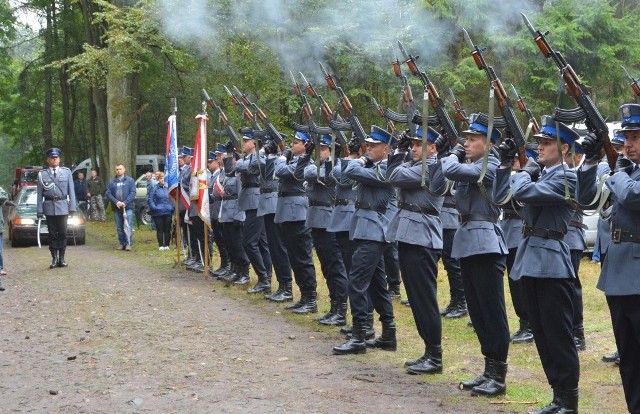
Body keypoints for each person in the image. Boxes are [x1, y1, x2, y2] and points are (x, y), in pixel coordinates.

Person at [495, 116, 581, 412]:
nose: (539, 148)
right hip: (530, 259)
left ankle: (569, 400)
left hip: (551, 261)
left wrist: (526, 170)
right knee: (542, 335)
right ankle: (557, 395)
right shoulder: (543, 175)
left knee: (557, 334)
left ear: (565, 148)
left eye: (546, 143)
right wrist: (506, 166)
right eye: (539, 142)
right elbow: (501, 197)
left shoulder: (565, 177)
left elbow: (522, 192)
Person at [430, 113, 509, 396]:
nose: (466, 143)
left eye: (473, 139)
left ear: (489, 144)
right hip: (467, 241)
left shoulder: (491, 166)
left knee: (492, 311)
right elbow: (439, 182)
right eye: (465, 139)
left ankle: (498, 375)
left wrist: (449, 152)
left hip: (486, 243)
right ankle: (488, 369)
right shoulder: (470, 165)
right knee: (477, 312)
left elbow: (451, 170)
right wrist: (446, 154)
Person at [577, 103, 640, 414]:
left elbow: (632, 197)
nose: (628, 144)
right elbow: (585, 198)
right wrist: (590, 161)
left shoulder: (624, 172)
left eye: (635, 137)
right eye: (626, 137)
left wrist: (617, 171)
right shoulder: (626, 169)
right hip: (618, 273)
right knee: (628, 358)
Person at [333, 126, 397, 355]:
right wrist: (361, 160)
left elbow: (351, 171)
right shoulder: (371, 166)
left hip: (375, 231)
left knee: (356, 282)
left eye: (373, 145)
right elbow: (339, 177)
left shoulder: (388, 169)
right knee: (378, 284)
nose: (367, 148)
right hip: (365, 229)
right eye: (367, 145)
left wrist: (358, 160)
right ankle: (389, 333)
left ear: (386, 148)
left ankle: (360, 334)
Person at [387, 126, 445, 374]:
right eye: (411, 145)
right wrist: (399, 152)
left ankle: (435, 355)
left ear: (433, 148)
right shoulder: (414, 166)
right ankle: (429, 351)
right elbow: (394, 174)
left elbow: (393, 177)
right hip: (410, 235)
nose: (414, 148)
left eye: (419, 145)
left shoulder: (431, 167)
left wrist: (398, 156)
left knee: (424, 300)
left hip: (422, 238)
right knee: (417, 298)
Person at [298, 134, 348, 325]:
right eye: (319, 150)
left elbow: (323, 177)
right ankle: (334, 306)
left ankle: (341, 309)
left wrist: (326, 164)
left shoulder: (337, 168)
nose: (321, 153)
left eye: (325, 149)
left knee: (335, 266)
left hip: (329, 221)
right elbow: (305, 173)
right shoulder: (315, 166)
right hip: (317, 220)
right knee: (327, 267)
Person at [273, 131, 318, 313]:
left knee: (302, 257)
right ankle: (304, 296)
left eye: (297, 142)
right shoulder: (295, 162)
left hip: (297, 214)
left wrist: (282, 156)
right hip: (287, 212)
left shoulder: (306, 164)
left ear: (306, 145)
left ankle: (311, 299)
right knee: (294, 257)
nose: (293, 145)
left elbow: (279, 171)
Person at [36, 147, 77, 268]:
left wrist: (72, 207)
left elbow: (71, 191)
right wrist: (39, 210)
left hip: (63, 207)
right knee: (52, 234)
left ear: (59, 159)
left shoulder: (66, 172)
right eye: (52, 158)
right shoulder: (42, 174)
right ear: (47, 160)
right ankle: (54, 258)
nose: (54, 160)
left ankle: (62, 258)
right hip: (49, 207)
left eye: (56, 158)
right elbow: (39, 194)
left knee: (63, 233)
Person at [207, 147, 230, 278]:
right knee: (220, 240)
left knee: (226, 240)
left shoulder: (228, 171)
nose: (218, 157)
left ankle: (228, 265)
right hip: (215, 209)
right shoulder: (220, 173)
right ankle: (224, 264)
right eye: (217, 155)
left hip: (224, 208)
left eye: (220, 155)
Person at [105, 164, 136, 251]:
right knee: (119, 227)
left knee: (128, 226)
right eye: (117, 169)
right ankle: (122, 243)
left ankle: (128, 244)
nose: (118, 170)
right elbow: (108, 193)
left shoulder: (130, 180)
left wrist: (125, 203)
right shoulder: (112, 182)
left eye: (120, 169)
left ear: (124, 170)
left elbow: (133, 193)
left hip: (128, 207)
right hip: (116, 208)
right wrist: (117, 202)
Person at [148, 171, 174, 250]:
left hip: (168, 211)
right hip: (158, 212)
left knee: (167, 229)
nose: (162, 180)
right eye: (161, 178)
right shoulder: (154, 188)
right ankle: (161, 245)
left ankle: (167, 245)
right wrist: (154, 207)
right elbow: (150, 199)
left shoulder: (169, 188)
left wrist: (172, 207)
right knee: (160, 229)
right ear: (158, 179)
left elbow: (173, 198)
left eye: (164, 178)